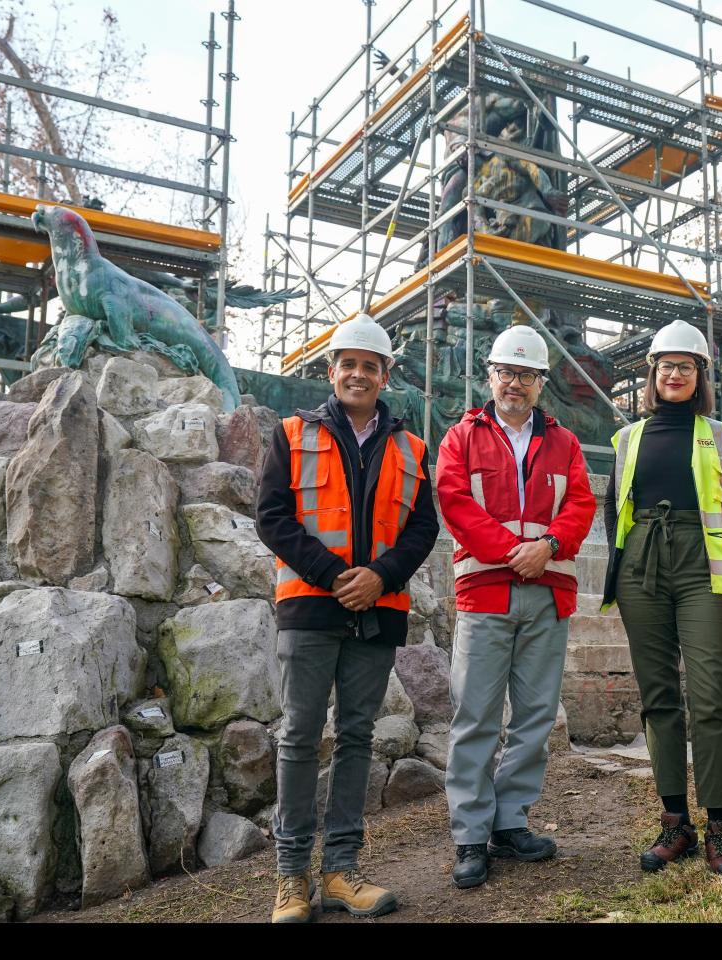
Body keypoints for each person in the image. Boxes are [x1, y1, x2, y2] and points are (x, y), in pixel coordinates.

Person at [256, 314, 440, 922]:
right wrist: (335, 575)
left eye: (371, 365)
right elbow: (272, 517)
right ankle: (291, 878)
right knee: (301, 734)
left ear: (385, 375)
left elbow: (422, 527)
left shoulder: (412, 447)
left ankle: (340, 871)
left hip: (377, 612)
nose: (358, 374)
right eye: (349, 363)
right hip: (311, 607)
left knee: (358, 736)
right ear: (331, 370)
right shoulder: (291, 434)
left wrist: (380, 577)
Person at [436, 324, 596, 889]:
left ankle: (510, 821)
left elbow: (579, 504)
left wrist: (547, 547)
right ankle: (470, 835)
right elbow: (455, 503)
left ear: (540, 383)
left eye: (526, 375)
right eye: (507, 372)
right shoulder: (462, 438)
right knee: (476, 716)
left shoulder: (565, 443)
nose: (516, 383)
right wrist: (513, 552)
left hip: (548, 594)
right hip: (485, 594)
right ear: (491, 377)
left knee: (533, 718)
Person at [601, 319, 722, 875]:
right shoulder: (626, 438)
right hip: (642, 565)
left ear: (698, 376)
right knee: (658, 696)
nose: (674, 373)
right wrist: (622, 566)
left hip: (702, 568)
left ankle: (719, 826)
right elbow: (611, 505)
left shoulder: (720, 433)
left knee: (712, 695)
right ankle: (675, 824)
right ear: (653, 374)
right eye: (665, 365)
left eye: (684, 367)